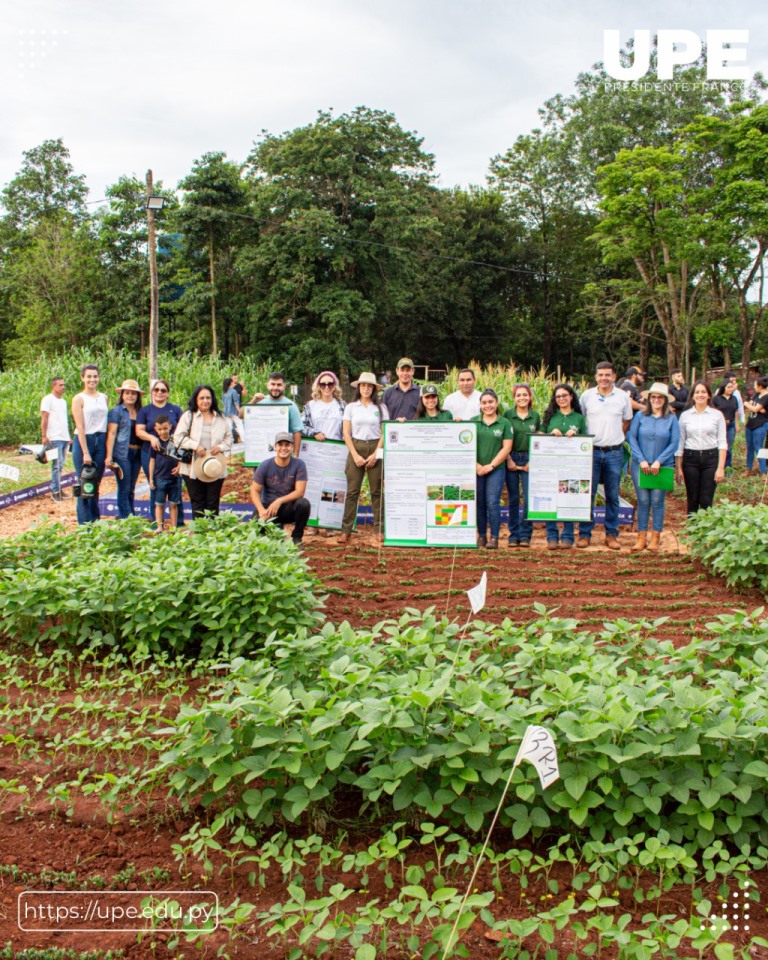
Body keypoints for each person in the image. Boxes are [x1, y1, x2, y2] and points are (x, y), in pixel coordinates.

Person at [577, 361, 634, 550]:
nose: (604, 378)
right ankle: (585, 533)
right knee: (588, 494)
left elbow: (627, 421)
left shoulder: (623, 397)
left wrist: (616, 436)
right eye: (600, 375)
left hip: (614, 452)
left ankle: (611, 534)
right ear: (595, 377)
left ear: (614, 376)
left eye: (607, 375)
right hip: (591, 452)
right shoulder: (586, 396)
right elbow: (580, 419)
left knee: (612, 495)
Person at [628, 383, 680, 551]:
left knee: (657, 501)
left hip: (662, 466)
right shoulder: (641, 416)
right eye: (653, 397)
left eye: (660, 397)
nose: (656, 400)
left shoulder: (671, 419)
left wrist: (658, 461)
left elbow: (674, 443)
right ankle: (641, 536)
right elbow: (632, 438)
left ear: (665, 400)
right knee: (643, 500)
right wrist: (641, 459)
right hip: (640, 465)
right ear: (649, 399)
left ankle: (655, 536)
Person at [338, 372, 389, 545]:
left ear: (374, 388)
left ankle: (379, 529)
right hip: (356, 447)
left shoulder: (381, 408)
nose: (366, 389)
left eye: (369, 386)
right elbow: (346, 433)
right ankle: (346, 530)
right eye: (363, 385)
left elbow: (385, 433)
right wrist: (355, 455)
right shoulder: (351, 407)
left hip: (377, 447)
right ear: (358, 387)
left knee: (376, 491)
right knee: (353, 492)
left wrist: (376, 454)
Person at [172, 385, 233, 519]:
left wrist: (221, 447)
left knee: (212, 502)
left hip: (214, 465)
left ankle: (212, 534)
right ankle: (200, 534)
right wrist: (196, 446)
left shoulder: (220, 417)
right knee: (197, 502)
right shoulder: (189, 416)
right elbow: (178, 437)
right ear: (196, 400)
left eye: (208, 398)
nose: (205, 401)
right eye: (202, 398)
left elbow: (229, 438)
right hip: (193, 466)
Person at [542, 384, 586, 550]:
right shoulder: (550, 417)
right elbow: (539, 437)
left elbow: (585, 442)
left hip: (572, 466)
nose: (561, 399)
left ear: (571, 397)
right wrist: (550, 434)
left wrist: (577, 436)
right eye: (558, 396)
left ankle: (568, 536)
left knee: (569, 498)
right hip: (551, 465)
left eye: (564, 395)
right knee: (551, 499)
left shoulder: (579, 418)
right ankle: (552, 536)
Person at [250, 431, 311, 550]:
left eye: (287, 445)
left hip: (288, 509)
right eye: (280, 445)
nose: (284, 448)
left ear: (292, 447)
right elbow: (254, 490)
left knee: (304, 504)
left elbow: (300, 492)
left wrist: (279, 501)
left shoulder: (299, 465)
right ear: (275, 447)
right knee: (255, 529)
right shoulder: (265, 465)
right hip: (268, 509)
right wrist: (261, 510)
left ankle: (297, 537)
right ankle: (265, 539)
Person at [136, 379, 184, 526]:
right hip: (151, 452)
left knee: (176, 486)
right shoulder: (145, 411)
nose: (159, 393)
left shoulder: (175, 410)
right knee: (156, 487)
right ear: (152, 392)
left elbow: (183, 430)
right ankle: (157, 524)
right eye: (156, 390)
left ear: (168, 393)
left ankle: (178, 523)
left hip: (174, 455)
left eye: (163, 390)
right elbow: (139, 430)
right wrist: (152, 437)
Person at [675, 380, 727, 514]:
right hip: (690, 459)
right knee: (692, 498)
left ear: (709, 395)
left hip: (711, 459)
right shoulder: (685, 416)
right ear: (692, 396)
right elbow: (680, 443)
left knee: (706, 499)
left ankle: (705, 532)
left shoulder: (717, 415)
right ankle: (692, 530)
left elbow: (722, 442)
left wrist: (720, 468)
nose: (700, 395)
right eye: (697, 392)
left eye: (703, 392)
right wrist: (679, 468)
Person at [472, 389, 513, 550]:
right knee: (480, 503)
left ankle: (494, 537)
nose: (487, 405)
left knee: (492, 502)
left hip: (496, 469)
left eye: (490, 402)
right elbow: (466, 445)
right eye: (484, 403)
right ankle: (482, 535)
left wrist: (491, 465)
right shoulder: (474, 422)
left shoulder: (504, 423)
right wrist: (477, 466)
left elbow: (506, 447)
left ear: (496, 403)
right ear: (480, 405)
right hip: (477, 469)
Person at [71, 364, 109, 525]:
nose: (92, 379)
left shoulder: (104, 397)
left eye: (95, 376)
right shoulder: (79, 399)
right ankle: (84, 524)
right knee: (85, 484)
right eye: (89, 376)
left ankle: (95, 522)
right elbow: (80, 426)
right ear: (83, 378)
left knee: (96, 483)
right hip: (84, 441)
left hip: (100, 440)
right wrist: (85, 452)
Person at [504, 384, 541, 548]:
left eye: (525, 395)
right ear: (514, 398)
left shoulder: (535, 416)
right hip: (511, 456)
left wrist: (534, 460)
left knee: (528, 499)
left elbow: (540, 440)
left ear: (530, 397)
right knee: (512, 499)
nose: (522, 398)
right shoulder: (508, 415)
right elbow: (503, 439)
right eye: (518, 395)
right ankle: (513, 534)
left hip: (528, 458)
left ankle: (525, 534)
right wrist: (508, 459)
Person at [105, 379, 144, 519]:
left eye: (133, 393)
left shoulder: (141, 412)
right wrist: (109, 456)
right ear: (122, 395)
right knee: (124, 487)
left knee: (131, 488)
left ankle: (130, 515)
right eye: (127, 393)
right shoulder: (116, 412)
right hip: (122, 453)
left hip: (137, 452)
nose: (130, 396)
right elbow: (112, 433)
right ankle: (126, 518)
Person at [255, 372, 302, 455]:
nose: (275, 387)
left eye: (279, 385)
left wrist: (295, 455)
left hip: (283, 455)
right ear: (267, 385)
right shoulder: (260, 402)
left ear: (284, 386)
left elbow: (297, 432)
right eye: (272, 384)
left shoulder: (291, 406)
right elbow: (241, 415)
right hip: (261, 454)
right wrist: (253, 400)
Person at [148, 415, 183, 530]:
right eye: (160, 429)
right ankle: (159, 527)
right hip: (160, 478)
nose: (163, 432)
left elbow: (181, 458)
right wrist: (151, 478)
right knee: (159, 504)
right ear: (156, 429)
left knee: (173, 504)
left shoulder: (175, 442)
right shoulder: (155, 444)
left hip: (174, 478)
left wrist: (179, 467)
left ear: (170, 427)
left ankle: (174, 527)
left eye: (165, 428)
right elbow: (152, 461)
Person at [40, 376, 71, 502]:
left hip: (63, 437)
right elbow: (44, 418)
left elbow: (64, 420)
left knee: (61, 464)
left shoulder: (63, 401)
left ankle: (58, 487)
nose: (63, 387)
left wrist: (68, 437)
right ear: (53, 386)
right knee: (56, 465)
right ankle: (55, 491)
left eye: (63, 385)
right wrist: (44, 435)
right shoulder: (48, 400)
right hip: (54, 437)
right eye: (60, 385)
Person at [301, 371, 346, 441]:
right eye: (323, 384)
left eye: (330, 384)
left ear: (335, 386)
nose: (327, 387)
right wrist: (314, 433)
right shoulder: (310, 406)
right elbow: (301, 426)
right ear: (318, 386)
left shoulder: (343, 406)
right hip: (315, 447)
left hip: (337, 447)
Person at [712, 378, 740, 470]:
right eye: (728, 387)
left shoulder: (734, 398)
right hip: (719, 425)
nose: (730, 389)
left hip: (731, 424)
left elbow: (736, 412)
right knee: (718, 445)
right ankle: (717, 465)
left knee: (729, 447)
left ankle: (728, 466)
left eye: (732, 387)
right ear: (723, 388)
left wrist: (736, 424)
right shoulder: (716, 399)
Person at [743, 375, 768, 476]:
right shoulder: (756, 395)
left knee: (759, 448)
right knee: (750, 447)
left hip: (761, 425)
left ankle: (763, 470)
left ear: (760, 386)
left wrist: (746, 404)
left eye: (755, 384)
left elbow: (754, 408)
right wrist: (754, 407)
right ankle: (748, 468)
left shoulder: (766, 396)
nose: (754, 386)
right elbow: (753, 407)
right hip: (751, 424)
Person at [222, 377, 243, 444]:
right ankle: (244, 439)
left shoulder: (224, 392)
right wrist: (239, 411)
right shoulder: (233, 391)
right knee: (240, 424)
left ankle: (230, 440)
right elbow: (236, 403)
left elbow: (223, 402)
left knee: (229, 426)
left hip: (226, 411)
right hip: (233, 411)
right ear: (230, 383)